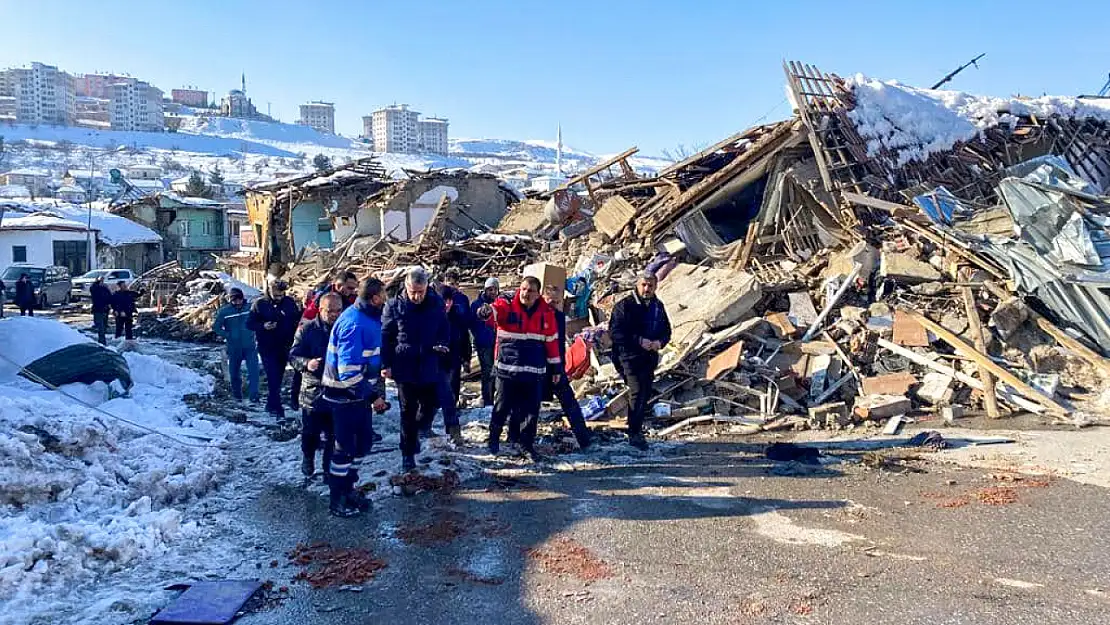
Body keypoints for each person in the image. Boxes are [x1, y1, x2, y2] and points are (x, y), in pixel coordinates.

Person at [320, 277, 387, 518]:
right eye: (384, 295)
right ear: (376, 298)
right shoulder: (354, 323)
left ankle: (348, 489)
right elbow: (347, 372)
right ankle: (337, 499)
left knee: (363, 444)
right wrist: (373, 397)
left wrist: (379, 368)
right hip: (343, 397)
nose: (387, 299)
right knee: (345, 449)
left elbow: (368, 355)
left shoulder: (366, 318)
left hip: (356, 396)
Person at [476, 276, 560, 461]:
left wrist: (556, 369)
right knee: (502, 407)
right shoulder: (508, 305)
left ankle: (526, 445)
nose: (525, 293)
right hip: (508, 370)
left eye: (530, 291)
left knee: (531, 411)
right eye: (523, 289)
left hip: (533, 372)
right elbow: (495, 312)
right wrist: (487, 311)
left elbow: (552, 343)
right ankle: (494, 440)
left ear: (538, 294)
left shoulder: (547, 314)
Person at [381, 268, 451, 472]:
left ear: (427, 287)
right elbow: (386, 337)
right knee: (407, 411)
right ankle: (408, 453)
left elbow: (444, 328)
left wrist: (442, 343)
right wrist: (386, 364)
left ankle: (420, 428)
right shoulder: (394, 305)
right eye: (413, 292)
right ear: (406, 287)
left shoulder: (435, 302)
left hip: (429, 361)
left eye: (421, 292)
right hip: (405, 364)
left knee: (432, 403)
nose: (417, 296)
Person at [608, 271, 671, 450]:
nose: (647, 289)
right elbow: (615, 332)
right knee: (636, 391)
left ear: (655, 286)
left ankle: (637, 428)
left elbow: (666, 330)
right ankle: (634, 433)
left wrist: (659, 342)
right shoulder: (624, 306)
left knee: (644, 392)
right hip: (627, 356)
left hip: (649, 357)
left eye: (650, 285)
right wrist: (638, 340)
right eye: (644, 285)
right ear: (637, 285)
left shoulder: (657, 306)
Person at [289, 292, 342, 479]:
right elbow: (293, 355)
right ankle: (308, 457)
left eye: (338, 311)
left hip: (337, 390)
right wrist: (307, 363)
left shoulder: (344, 328)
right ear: (320, 310)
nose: (334, 315)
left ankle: (329, 469)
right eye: (330, 311)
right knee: (311, 433)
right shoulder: (307, 329)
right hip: (313, 391)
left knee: (333, 435)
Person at [297, 271, 358, 411]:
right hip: (314, 372)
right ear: (338, 285)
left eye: (354, 288)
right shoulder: (321, 298)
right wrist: (307, 363)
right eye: (349, 288)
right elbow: (307, 319)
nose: (352, 291)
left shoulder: (351, 300)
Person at [542, 285, 592, 450]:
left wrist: (561, 368)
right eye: (551, 302)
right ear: (543, 299)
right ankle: (522, 439)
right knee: (529, 405)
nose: (554, 305)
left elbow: (559, 346)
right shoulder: (536, 316)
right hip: (539, 368)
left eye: (557, 302)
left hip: (555, 368)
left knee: (570, 404)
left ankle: (583, 439)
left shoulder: (558, 317)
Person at [248, 278, 301, 423]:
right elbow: (250, 323)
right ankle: (278, 410)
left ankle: (270, 405)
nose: (279, 298)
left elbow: (296, 319)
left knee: (278, 378)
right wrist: (263, 326)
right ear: (269, 291)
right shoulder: (259, 304)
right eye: (276, 295)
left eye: (281, 295)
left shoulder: (289, 303)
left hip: (285, 346)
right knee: (272, 378)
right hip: (267, 347)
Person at [213, 287, 259, 403]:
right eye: (234, 300)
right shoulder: (225, 312)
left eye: (239, 299)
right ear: (231, 300)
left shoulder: (250, 308)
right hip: (233, 347)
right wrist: (227, 335)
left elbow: (259, 320)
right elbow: (216, 327)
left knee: (254, 372)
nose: (237, 302)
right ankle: (237, 396)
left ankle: (254, 396)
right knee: (234, 373)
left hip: (250, 346)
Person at [438, 267, 472, 411]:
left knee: (454, 379)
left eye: (454, 283)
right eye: (449, 282)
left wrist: (466, 356)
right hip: (439, 349)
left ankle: (453, 405)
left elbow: (465, 330)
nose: (452, 285)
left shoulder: (462, 301)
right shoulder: (436, 303)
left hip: (455, 346)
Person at [470, 277, 500, 406]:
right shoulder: (477, 305)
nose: (492, 292)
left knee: (497, 372)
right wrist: (479, 336)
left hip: (498, 343)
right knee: (487, 372)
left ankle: (497, 400)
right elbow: (472, 324)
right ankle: (487, 400)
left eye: (495, 289)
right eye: (490, 289)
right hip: (484, 343)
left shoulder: (499, 304)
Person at [89, 276, 112, 345]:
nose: (102, 282)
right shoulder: (95, 289)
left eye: (103, 281)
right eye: (100, 281)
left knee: (103, 328)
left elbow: (110, 297)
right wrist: (97, 281)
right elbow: (92, 288)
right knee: (100, 328)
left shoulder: (105, 289)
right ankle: (102, 343)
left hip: (105, 310)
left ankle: (102, 341)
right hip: (98, 310)